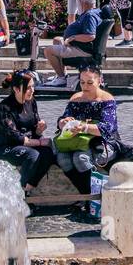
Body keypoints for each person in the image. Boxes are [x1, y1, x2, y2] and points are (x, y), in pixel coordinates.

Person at [54, 64, 119, 208]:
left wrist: (84, 127)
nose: (85, 86)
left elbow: (108, 128)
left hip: (102, 141)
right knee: (62, 158)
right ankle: (87, 195)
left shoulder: (106, 100)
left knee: (80, 158)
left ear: (99, 81)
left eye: (90, 83)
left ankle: (93, 197)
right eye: (82, 82)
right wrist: (63, 122)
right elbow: (63, 118)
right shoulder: (76, 99)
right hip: (77, 140)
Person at [0, 69, 55, 189]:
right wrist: (40, 142)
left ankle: (27, 189)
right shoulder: (5, 107)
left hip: (23, 144)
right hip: (2, 146)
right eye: (28, 88)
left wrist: (39, 129)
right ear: (16, 89)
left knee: (48, 153)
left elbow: (34, 129)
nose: (32, 91)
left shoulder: (31, 102)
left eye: (33, 87)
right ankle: (19, 193)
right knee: (32, 155)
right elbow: (15, 137)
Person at [41, 0, 101, 86]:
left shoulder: (90, 15)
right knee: (57, 40)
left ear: (84, 3)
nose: (78, 5)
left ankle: (61, 78)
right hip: (81, 46)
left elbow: (90, 36)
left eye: (79, 2)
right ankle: (61, 75)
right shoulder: (93, 12)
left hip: (82, 49)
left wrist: (72, 38)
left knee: (48, 50)